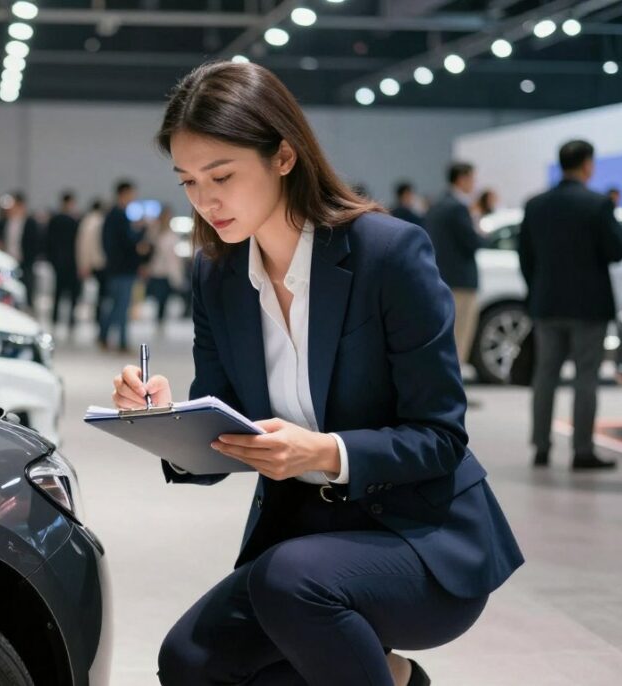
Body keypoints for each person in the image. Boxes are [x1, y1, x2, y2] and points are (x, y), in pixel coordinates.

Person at [111, 61, 523, 686]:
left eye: (222, 175)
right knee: (190, 662)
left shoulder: (388, 253)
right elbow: (223, 436)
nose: (205, 200)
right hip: (305, 543)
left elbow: (440, 437)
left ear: (283, 156)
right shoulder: (217, 277)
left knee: (289, 586)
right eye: (189, 181)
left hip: (419, 538)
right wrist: (165, 419)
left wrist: (326, 452)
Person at [517, 140, 622, 470]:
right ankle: (582, 451)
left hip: (547, 302)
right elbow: (617, 250)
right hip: (588, 306)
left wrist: (537, 288)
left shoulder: (536, 204)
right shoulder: (597, 204)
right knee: (585, 379)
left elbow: (525, 255)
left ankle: (540, 447)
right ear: (587, 164)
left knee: (545, 376)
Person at [424, 162, 484, 367]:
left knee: (444, 336)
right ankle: (456, 389)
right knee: (460, 337)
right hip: (461, 281)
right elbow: (472, 242)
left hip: (440, 277)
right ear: (462, 178)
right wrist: (479, 229)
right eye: (472, 178)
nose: (474, 183)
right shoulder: (459, 207)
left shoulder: (437, 205)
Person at [99, 180, 143, 352]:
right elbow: (126, 242)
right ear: (123, 193)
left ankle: (105, 337)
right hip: (122, 269)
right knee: (121, 306)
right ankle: (121, 342)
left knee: (116, 305)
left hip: (117, 268)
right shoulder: (118, 215)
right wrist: (139, 234)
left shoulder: (114, 215)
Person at [0, 191, 42, 311]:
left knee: (27, 287)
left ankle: (27, 308)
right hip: (7, 261)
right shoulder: (5, 222)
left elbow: (36, 242)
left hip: (25, 261)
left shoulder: (30, 223)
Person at [46, 191, 82, 333]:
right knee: (70, 293)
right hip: (71, 262)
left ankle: (55, 318)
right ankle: (70, 320)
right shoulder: (73, 221)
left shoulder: (55, 220)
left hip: (59, 262)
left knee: (59, 292)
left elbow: (49, 241)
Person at [145, 204, 186, 328]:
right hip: (156, 270)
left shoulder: (172, 234)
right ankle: (158, 319)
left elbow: (175, 256)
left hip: (168, 271)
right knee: (157, 297)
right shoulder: (153, 233)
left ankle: (161, 320)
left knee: (165, 298)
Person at [76, 199, 108, 332]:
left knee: (98, 295)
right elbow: (85, 245)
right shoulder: (96, 222)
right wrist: (85, 264)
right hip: (98, 262)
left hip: (93, 262)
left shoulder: (88, 221)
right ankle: (99, 321)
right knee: (100, 295)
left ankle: (99, 320)